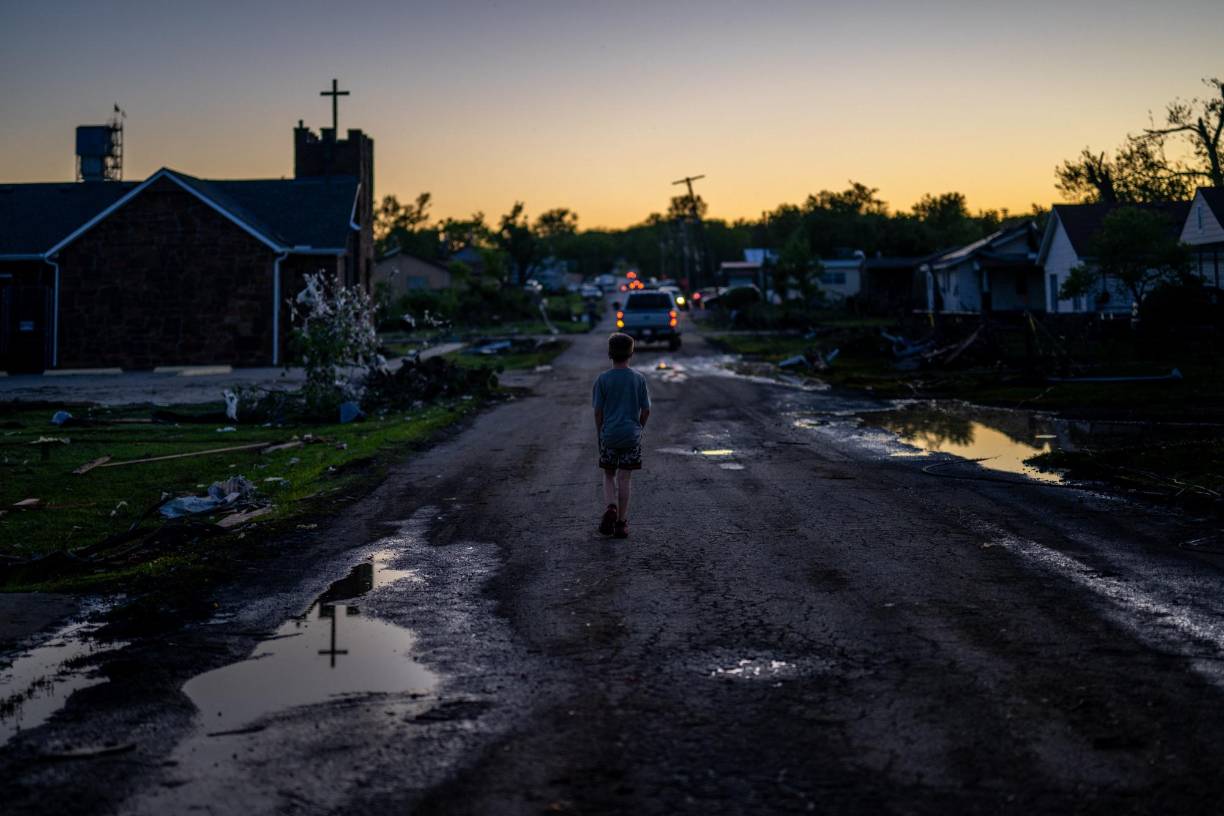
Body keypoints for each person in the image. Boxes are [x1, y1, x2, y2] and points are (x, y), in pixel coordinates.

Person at [592, 332, 651, 538]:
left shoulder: (602, 380)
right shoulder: (639, 379)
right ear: (631, 353)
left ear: (609, 354)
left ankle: (611, 506)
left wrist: (600, 434)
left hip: (609, 435)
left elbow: (598, 412)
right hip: (631, 436)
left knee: (609, 474)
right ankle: (621, 524)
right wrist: (639, 428)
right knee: (625, 477)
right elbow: (646, 410)